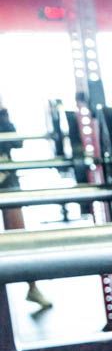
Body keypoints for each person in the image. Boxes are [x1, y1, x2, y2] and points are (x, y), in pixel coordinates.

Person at [0, 96, 52, 311]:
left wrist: (3, 113)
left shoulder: (1, 117)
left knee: (19, 236)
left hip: (6, 178)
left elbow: (17, 141)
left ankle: (32, 288)